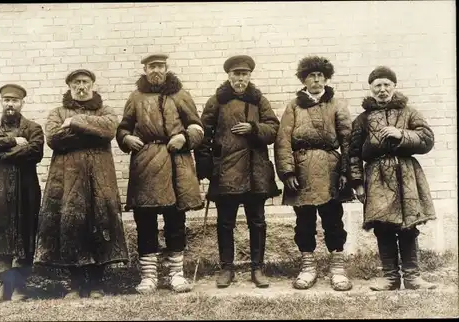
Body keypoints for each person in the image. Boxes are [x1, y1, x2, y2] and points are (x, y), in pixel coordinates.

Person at [34, 69, 129, 299]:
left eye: (85, 82)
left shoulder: (104, 110)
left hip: (99, 177)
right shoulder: (57, 112)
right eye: (76, 82)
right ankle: (75, 285)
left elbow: (108, 129)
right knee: (71, 224)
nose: (81, 86)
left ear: (93, 84)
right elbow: (54, 138)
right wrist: (90, 132)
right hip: (68, 179)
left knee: (100, 221)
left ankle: (97, 284)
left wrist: (75, 122)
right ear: (69, 86)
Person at [116, 54, 204, 294]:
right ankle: (148, 276)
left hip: (177, 162)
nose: (156, 70)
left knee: (176, 220)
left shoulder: (180, 95)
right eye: (152, 66)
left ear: (166, 69)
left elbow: (197, 126)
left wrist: (184, 137)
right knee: (145, 220)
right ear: (145, 69)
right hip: (146, 162)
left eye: (160, 66)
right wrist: (126, 138)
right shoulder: (135, 98)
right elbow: (123, 126)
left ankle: (176, 274)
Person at [194, 55, 281, 288]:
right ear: (229, 76)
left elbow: (273, 129)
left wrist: (254, 128)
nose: (240, 78)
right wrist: (205, 164)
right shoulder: (217, 101)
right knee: (225, 222)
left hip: (255, 171)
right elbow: (204, 134)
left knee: (257, 221)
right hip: (225, 172)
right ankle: (227, 269)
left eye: (244, 74)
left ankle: (257, 269)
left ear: (250, 76)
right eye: (236, 74)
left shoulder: (259, 100)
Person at [349, 66, 437, 291]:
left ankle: (412, 277)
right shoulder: (363, 119)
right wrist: (357, 183)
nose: (382, 89)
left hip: (405, 174)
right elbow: (353, 153)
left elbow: (427, 139)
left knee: (408, 227)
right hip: (377, 176)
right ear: (371, 88)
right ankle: (390, 278)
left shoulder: (409, 112)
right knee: (383, 226)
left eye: (387, 84)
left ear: (394, 86)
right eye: (377, 85)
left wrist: (402, 135)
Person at [274, 56, 354, 291]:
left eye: (320, 76)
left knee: (333, 219)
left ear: (326, 78)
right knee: (304, 221)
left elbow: (348, 140)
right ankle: (308, 267)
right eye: (311, 76)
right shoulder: (294, 106)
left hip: (330, 169)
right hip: (302, 171)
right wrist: (288, 172)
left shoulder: (337, 104)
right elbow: (283, 140)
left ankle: (337, 268)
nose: (316, 80)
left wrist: (345, 171)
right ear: (304, 80)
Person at [0, 84, 44, 303]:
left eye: (14, 100)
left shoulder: (33, 128)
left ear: (22, 103)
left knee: (24, 235)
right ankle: (4, 287)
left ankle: (19, 288)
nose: (10, 104)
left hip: (26, 190)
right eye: (6, 100)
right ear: (1, 102)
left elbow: (35, 152)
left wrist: (1, 156)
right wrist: (12, 141)